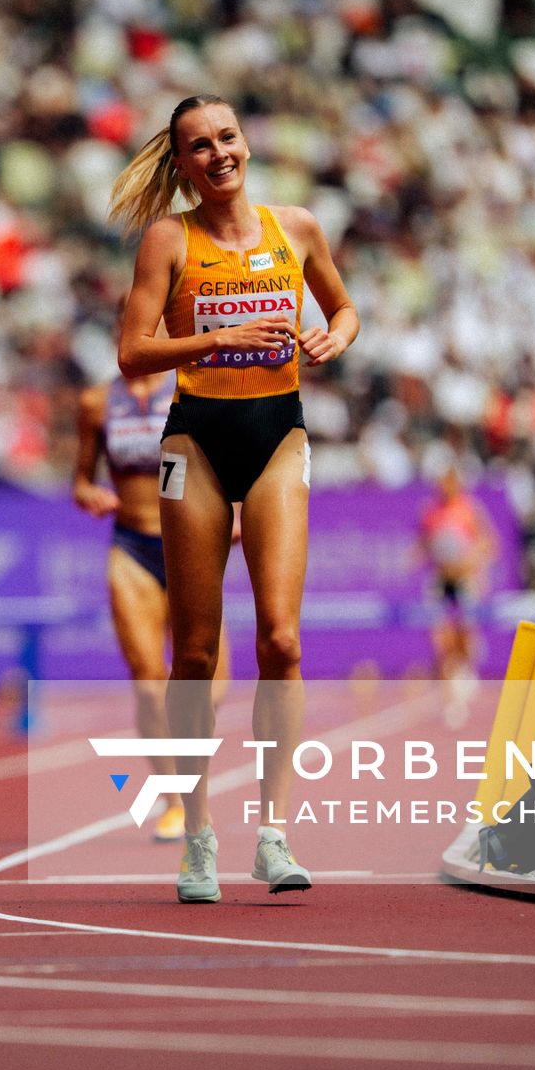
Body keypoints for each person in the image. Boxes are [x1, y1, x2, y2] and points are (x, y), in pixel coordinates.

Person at [112, 94, 360, 903]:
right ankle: (197, 839)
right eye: (198, 146)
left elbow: (346, 306)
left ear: (246, 144)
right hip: (197, 440)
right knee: (195, 652)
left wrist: (335, 335)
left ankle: (273, 835)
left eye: (227, 137)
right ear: (181, 165)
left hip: (278, 436)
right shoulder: (168, 240)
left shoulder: (299, 227)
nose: (217, 153)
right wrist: (216, 338)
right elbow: (132, 353)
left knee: (283, 642)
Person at [71, 364, 232, 842]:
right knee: (146, 682)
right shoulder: (96, 403)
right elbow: (80, 479)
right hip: (131, 548)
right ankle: (174, 801)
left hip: (190, 543)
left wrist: (235, 513)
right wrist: (89, 495)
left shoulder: (191, 390)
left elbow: (228, 461)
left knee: (209, 683)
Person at [419, 463, 498, 725]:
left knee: (466, 630)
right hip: (442, 579)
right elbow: (423, 545)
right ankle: (448, 687)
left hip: (465, 579)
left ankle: (465, 668)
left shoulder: (469, 509)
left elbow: (489, 543)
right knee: (441, 636)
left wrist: (473, 564)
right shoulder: (430, 512)